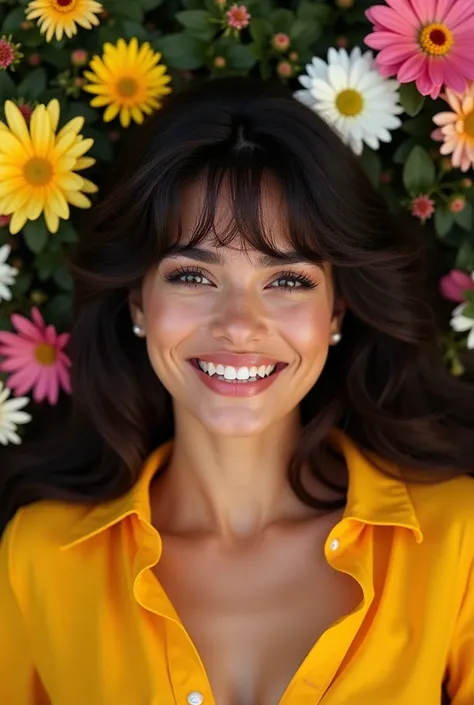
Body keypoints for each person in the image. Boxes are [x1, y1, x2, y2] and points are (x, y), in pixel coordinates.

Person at [1, 75, 473, 705]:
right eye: (194, 274)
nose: (240, 326)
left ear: (337, 312)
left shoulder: (456, 540)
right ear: (138, 299)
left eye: (288, 281)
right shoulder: (40, 557)